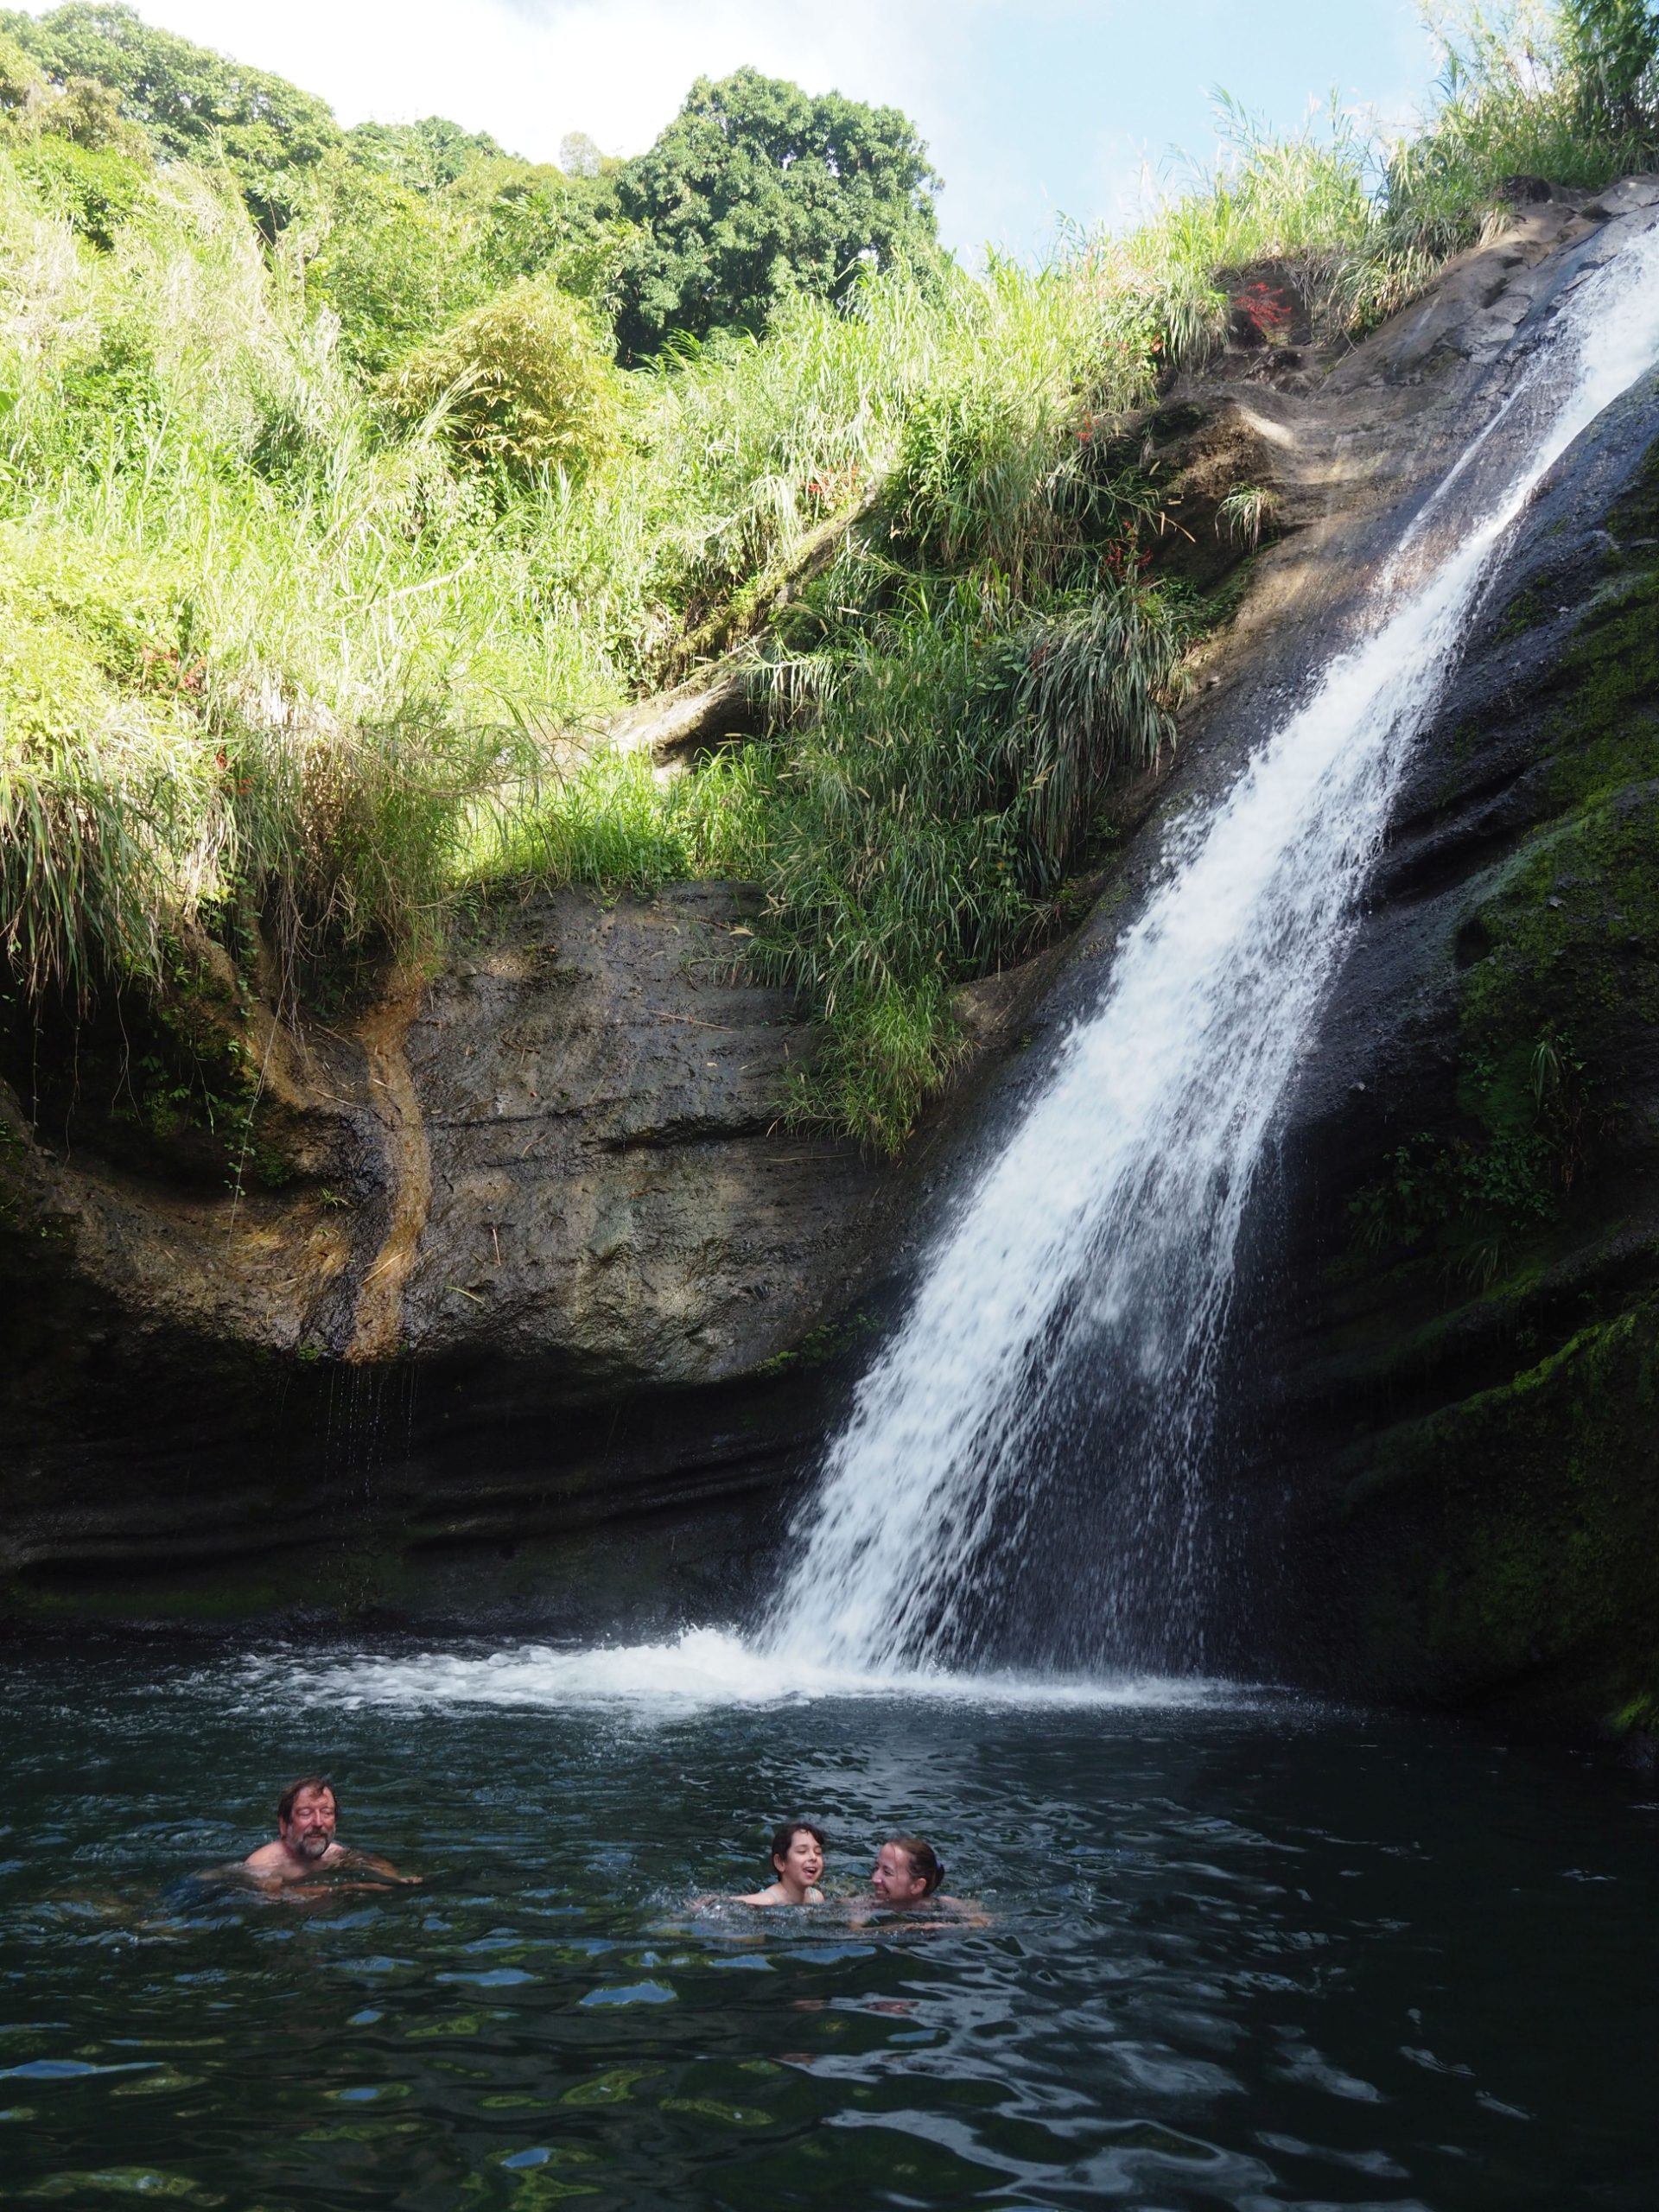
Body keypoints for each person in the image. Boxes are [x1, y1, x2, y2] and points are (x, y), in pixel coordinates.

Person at [241, 1777, 419, 1891]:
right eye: (306, 1813)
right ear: (284, 1824)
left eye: (327, 1813)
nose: (318, 1822)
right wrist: (349, 1887)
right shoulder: (264, 1864)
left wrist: (395, 1880)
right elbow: (273, 1904)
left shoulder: (334, 1853)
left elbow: (372, 1863)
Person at [865, 1834, 982, 1923]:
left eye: (887, 1872)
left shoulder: (946, 1905)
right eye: (876, 1868)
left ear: (917, 1886)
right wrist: (914, 1929)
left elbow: (984, 1924)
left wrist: (948, 1928)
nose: (875, 1879)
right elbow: (856, 1932)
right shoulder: (869, 1903)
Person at [735, 1819, 826, 1906]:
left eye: (818, 1852)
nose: (814, 1857)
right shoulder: (768, 1900)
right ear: (780, 1862)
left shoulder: (816, 1898)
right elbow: (728, 1903)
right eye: (802, 1851)